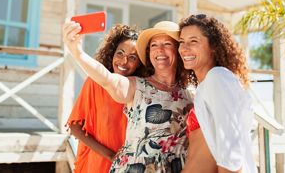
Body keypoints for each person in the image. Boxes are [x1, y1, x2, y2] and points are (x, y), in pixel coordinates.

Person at [63, 20, 193, 173]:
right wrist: (78, 53)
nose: (159, 50)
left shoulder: (189, 93)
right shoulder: (131, 86)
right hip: (115, 164)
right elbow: (106, 78)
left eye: (167, 44)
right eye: (154, 45)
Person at [178, 14, 257, 173]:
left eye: (193, 41)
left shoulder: (218, 77)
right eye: (181, 42)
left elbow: (231, 155)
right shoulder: (205, 85)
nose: (184, 48)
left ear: (213, 46)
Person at [66, 24, 146, 173]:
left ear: (140, 63)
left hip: (130, 164)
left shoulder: (142, 89)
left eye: (132, 57)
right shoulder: (94, 83)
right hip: (97, 162)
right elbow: (75, 127)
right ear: (112, 53)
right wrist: (109, 155)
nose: (123, 61)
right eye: (120, 53)